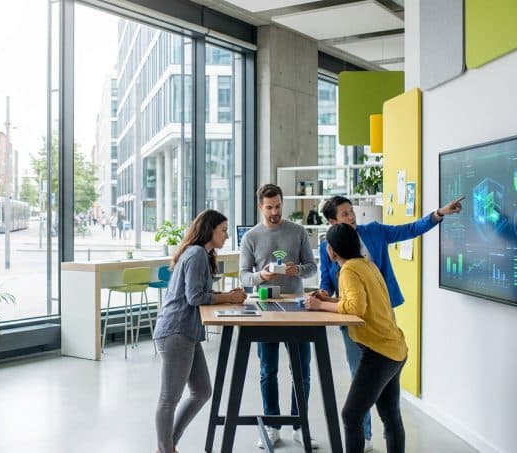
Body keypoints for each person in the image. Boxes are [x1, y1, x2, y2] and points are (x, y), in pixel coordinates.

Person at [319, 194, 464, 450]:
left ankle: (360, 439)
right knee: (368, 390)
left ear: (334, 250)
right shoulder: (345, 256)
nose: (352, 216)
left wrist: (439, 213)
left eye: (351, 211)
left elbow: (408, 229)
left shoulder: (366, 245)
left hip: (378, 330)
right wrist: (324, 297)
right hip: (377, 334)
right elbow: (330, 285)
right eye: (345, 214)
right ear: (332, 222)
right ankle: (365, 438)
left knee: (357, 404)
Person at [306, 223, 408, 453]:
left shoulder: (348, 270)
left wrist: (320, 304)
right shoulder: (366, 265)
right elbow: (359, 302)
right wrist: (328, 301)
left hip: (379, 352)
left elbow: (357, 307)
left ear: (332, 251)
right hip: (395, 348)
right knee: (391, 417)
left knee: (351, 415)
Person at [153, 209, 247, 453]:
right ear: (209, 230)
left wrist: (227, 297)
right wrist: (228, 297)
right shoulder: (196, 254)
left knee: (202, 391)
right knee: (168, 399)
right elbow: (195, 297)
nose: (226, 236)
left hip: (187, 332)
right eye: (223, 231)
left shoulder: (202, 254)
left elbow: (198, 294)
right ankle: (166, 449)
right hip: (176, 331)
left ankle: (167, 446)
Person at [239, 183, 319, 449]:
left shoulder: (298, 232)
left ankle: (300, 425)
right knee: (267, 370)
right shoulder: (250, 237)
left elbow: (311, 268)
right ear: (260, 207)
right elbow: (243, 276)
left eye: (278, 206)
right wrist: (261, 276)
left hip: (296, 307)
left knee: (302, 371)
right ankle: (272, 426)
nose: (274, 212)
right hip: (266, 308)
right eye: (269, 207)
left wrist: (297, 270)